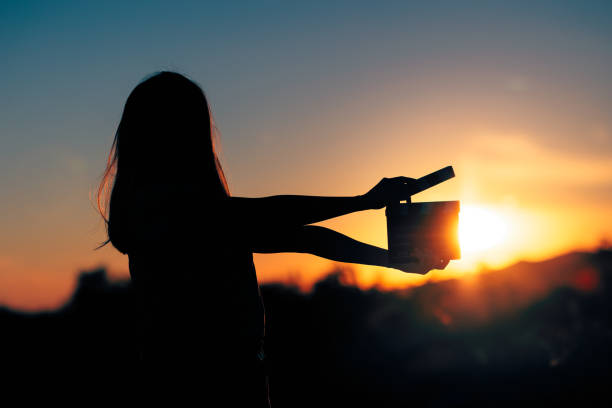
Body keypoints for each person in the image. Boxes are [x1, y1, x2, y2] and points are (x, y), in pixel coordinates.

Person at [96, 71, 449, 405]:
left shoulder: (158, 217)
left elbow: (304, 237)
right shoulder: (176, 217)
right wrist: (364, 203)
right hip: (210, 386)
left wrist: (393, 257)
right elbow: (278, 218)